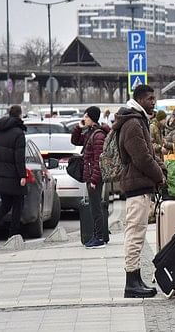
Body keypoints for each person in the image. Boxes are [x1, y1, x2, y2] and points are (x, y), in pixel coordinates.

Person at [113, 84, 166, 298]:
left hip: (139, 184)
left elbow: (147, 154)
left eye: (154, 98)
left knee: (137, 233)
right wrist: (159, 175)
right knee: (135, 234)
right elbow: (142, 157)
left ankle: (136, 280)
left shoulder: (137, 119)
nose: (154, 102)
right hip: (137, 186)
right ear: (140, 99)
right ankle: (131, 283)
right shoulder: (134, 123)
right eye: (150, 98)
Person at [0, 104, 27, 245]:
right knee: (18, 204)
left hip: (0, 174)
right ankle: (13, 236)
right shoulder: (19, 133)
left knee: (6, 203)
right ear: (19, 115)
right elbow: (19, 157)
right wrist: (22, 175)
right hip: (14, 176)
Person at [71, 106, 110, 249]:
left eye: (86, 117)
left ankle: (99, 237)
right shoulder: (90, 133)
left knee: (96, 208)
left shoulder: (98, 135)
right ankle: (97, 235)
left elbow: (98, 160)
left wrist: (94, 180)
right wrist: (78, 127)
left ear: (92, 118)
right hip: (91, 176)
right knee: (95, 207)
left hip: (94, 178)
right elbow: (75, 141)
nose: (84, 119)